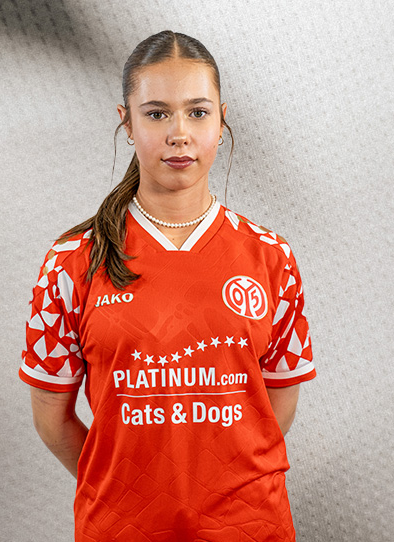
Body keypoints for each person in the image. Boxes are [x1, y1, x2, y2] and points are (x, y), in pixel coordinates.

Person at [19, 30, 316, 542]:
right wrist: (123, 484)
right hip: (120, 528)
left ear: (222, 120)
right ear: (127, 123)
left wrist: (215, 479)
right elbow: (52, 421)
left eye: (198, 112)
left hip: (251, 528)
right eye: (157, 114)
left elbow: (273, 411)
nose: (179, 133)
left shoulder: (271, 257)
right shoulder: (71, 263)